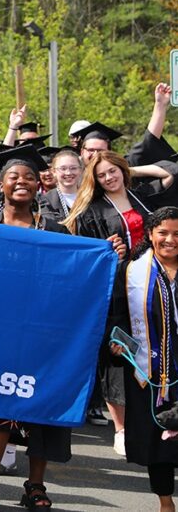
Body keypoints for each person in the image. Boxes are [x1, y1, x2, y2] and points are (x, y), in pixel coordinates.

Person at [0, 144, 78, 512]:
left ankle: (35, 484)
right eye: (14, 176)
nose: (22, 182)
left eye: (29, 177)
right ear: (1, 181)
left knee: (39, 408)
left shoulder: (55, 230)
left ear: (38, 185)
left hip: (41, 333)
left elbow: (72, 277)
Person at [63, 151, 178, 452]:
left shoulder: (139, 196)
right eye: (101, 175)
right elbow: (87, 251)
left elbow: (169, 173)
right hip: (118, 288)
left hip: (154, 283)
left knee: (157, 348)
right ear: (95, 181)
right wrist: (108, 250)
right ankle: (121, 428)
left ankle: (155, 416)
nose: (108, 178)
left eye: (113, 171)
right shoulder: (91, 209)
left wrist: (131, 170)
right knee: (120, 353)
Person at [109, 206, 178, 512]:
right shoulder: (132, 270)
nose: (170, 240)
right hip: (150, 370)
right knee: (158, 441)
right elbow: (119, 316)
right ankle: (165, 502)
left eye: (177, 234)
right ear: (150, 235)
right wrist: (118, 342)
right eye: (163, 233)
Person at [39, 149, 83, 221]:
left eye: (73, 168)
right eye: (63, 168)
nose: (68, 173)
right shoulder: (46, 201)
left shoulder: (90, 197)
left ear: (80, 170)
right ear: (54, 172)